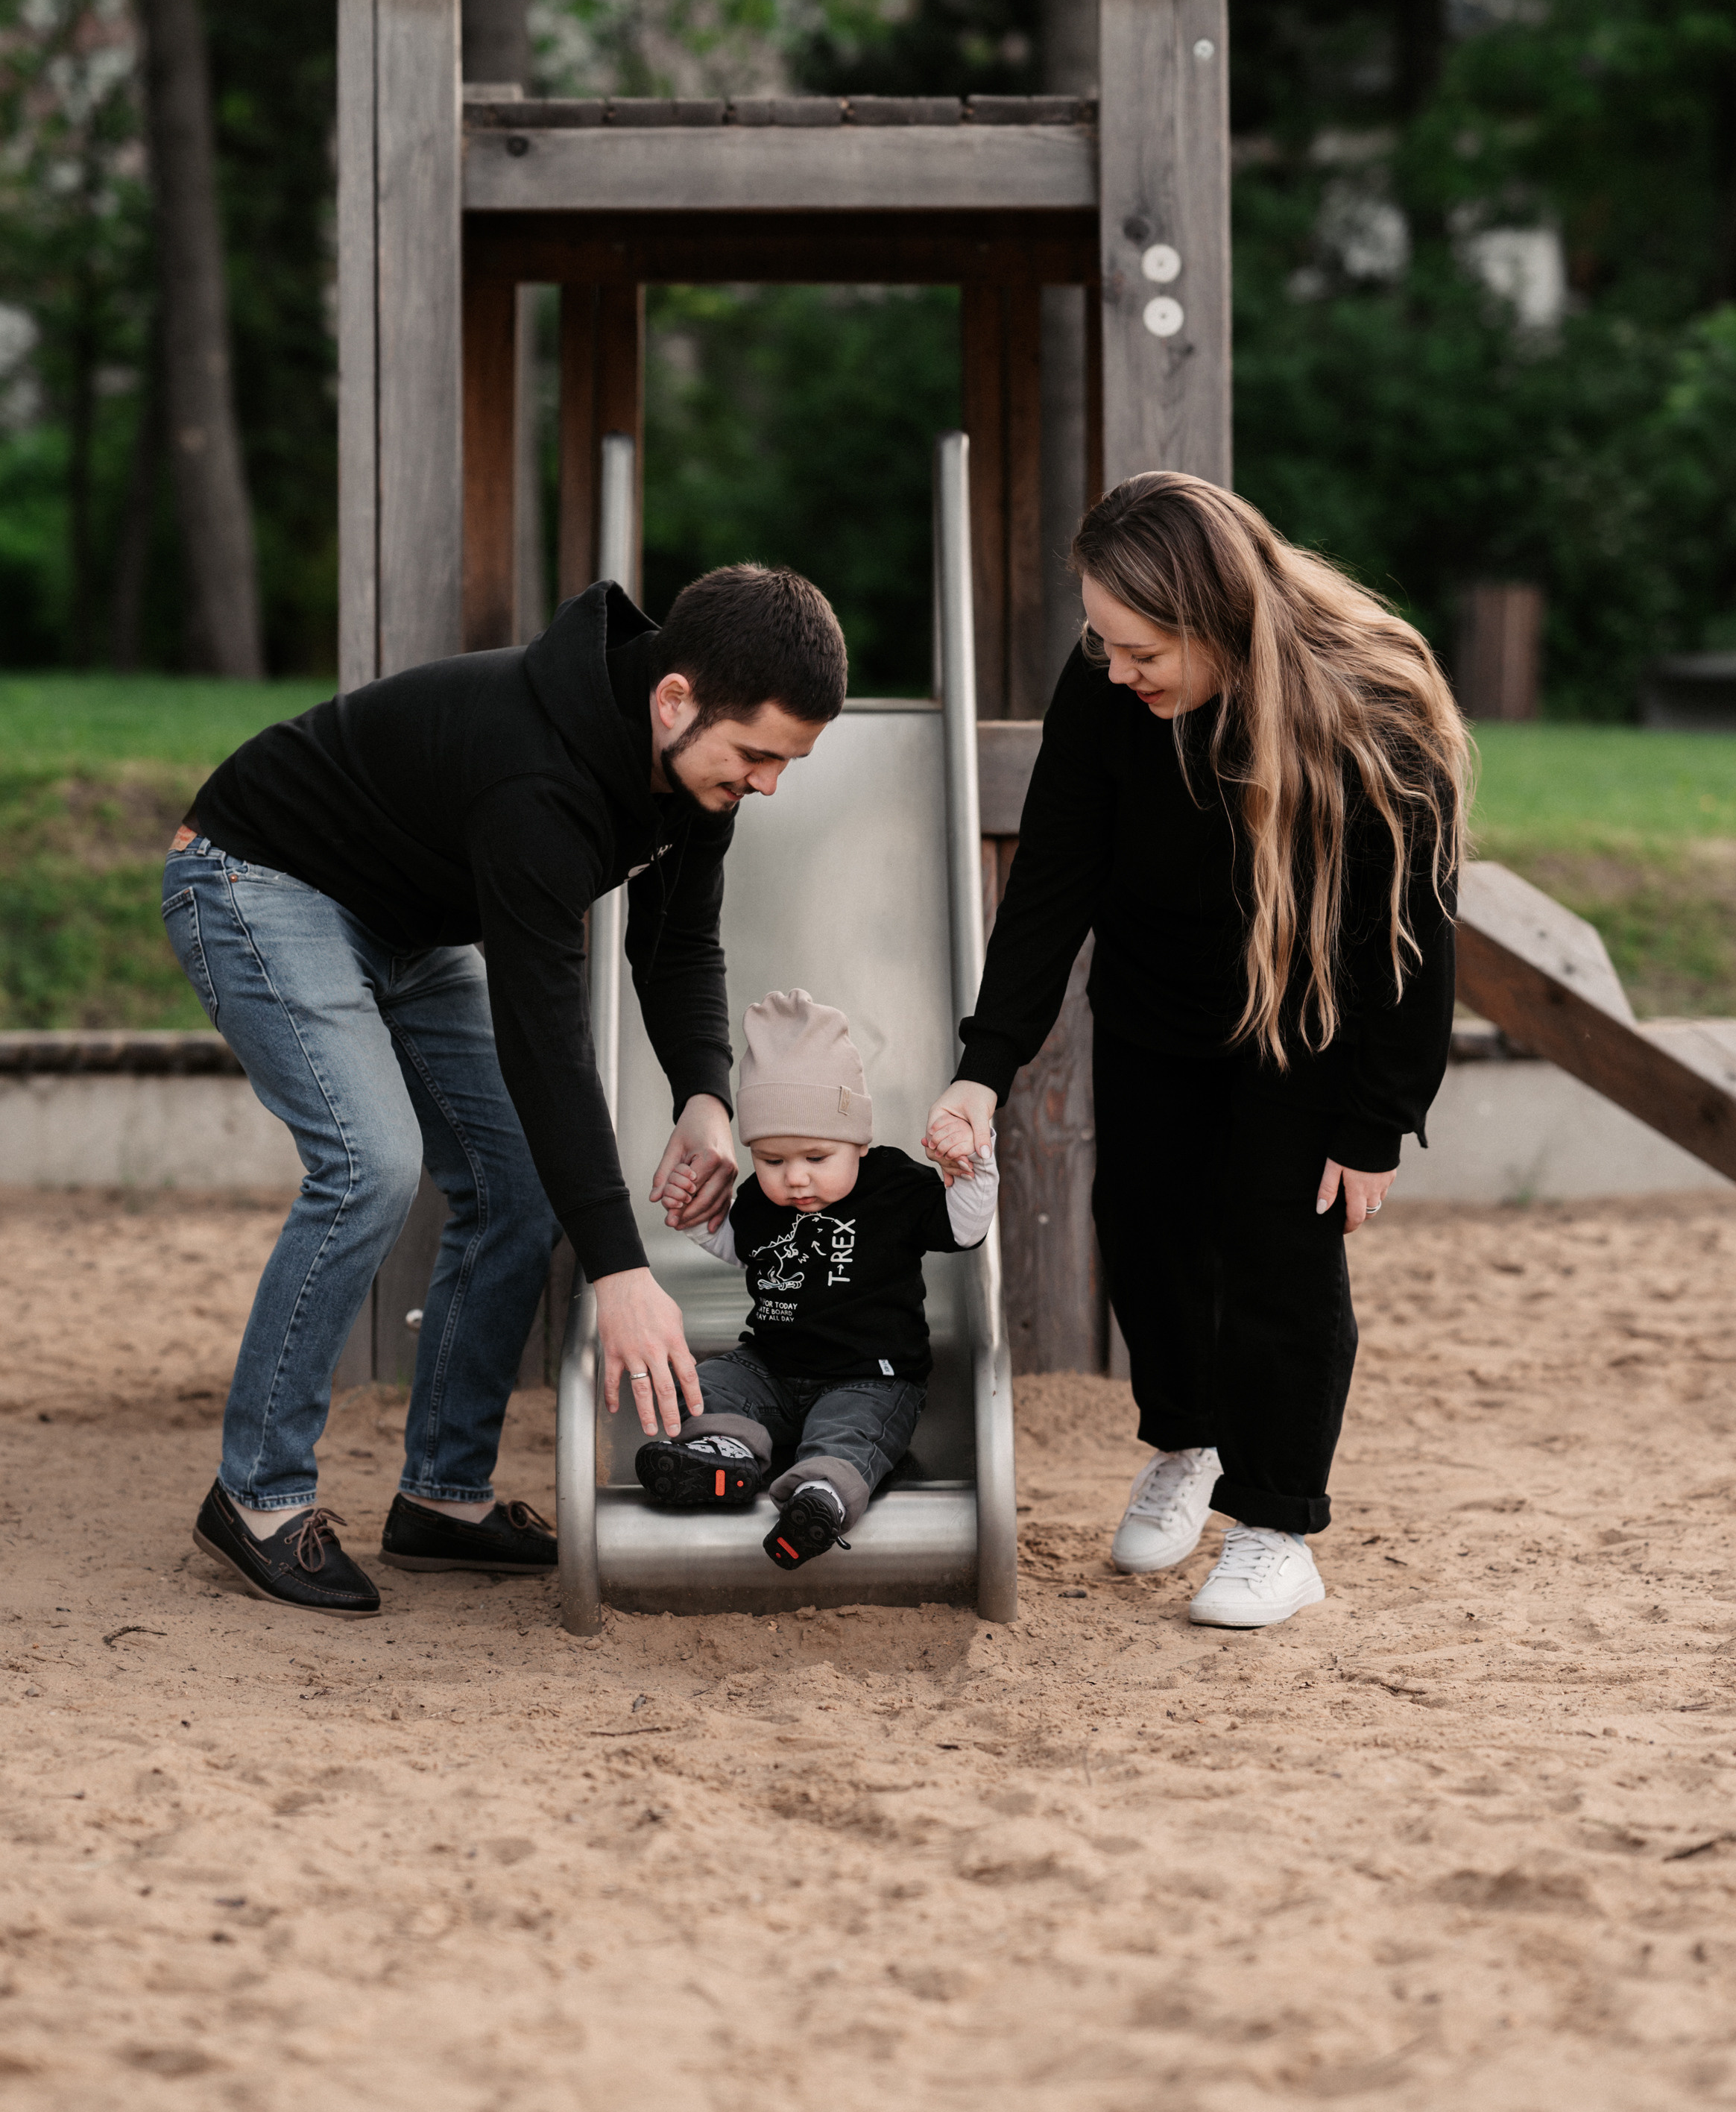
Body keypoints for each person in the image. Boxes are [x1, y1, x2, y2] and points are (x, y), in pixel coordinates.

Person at [162, 565, 848, 1617]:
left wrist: (703, 1095)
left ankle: (442, 1498)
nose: (766, 785)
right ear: (675, 700)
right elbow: (543, 1038)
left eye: (785, 763)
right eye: (756, 755)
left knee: (521, 1184)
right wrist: (619, 1270)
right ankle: (257, 1498)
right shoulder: (536, 783)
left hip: (407, 920)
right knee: (369, 1167)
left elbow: (677, 945)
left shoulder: (691, 771)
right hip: (259, 878)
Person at [924, 473, 1468, 1630]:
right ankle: (1188, 1443)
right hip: (1155, 1004)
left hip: (1305, 1012)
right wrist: (984, 1068)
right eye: (1102, 642)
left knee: (1279, 1248)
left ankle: (1277, 1525)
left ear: (1217, 620)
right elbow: (1051, 885)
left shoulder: (1374, 709)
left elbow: (1409, 940)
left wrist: (1377, 1121)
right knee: (1146, 1227)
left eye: (1141, 649)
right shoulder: (1102, 691)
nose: (1116, 671)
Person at [640, 989, 1000, 1569]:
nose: (795, 1179)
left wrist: (974, 1168)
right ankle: (723, 1457)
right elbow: (741, 1248)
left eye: (815, 1156)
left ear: (858, 1141)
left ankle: (820, 1500)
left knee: (849, 1431)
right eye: (773, 1161)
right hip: (773, 1367)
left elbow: (963, 1229)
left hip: (871, 1379)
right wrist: (694, 1220)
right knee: (712, 1382)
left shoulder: (893, 1186)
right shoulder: (762, 1199)